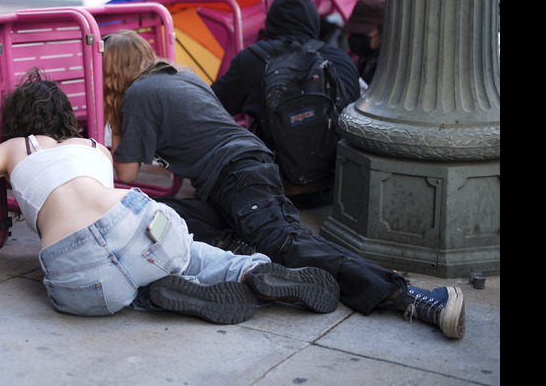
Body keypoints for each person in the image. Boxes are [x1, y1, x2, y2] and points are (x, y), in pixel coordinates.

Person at [102, 30, 467, 339]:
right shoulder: (179, 76)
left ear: (111, 73)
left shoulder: (137, 96)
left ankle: (410, 297)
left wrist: (113, 120)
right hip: (234, 175)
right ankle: (250, 264)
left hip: (237, 173)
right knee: (165, 217)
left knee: (289, 243)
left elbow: (128, 172)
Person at [0, 69, 340, 325]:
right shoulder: (93, 148)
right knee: (187, 250)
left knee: (83, 292)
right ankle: (249, 272)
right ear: (67, 117)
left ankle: (151, 297)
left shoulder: (19, 148)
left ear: (18, 124)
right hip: (138, 223)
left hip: (79, 272)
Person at [210, 0, 361, 208]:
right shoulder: (340, 60)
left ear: (271, 22)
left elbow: (211, 107)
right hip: (333, 189)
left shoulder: (253, 58)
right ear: (313, 22)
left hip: (277, 192)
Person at [343, 0, 386, 89]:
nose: (356, 37)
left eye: (362, 33)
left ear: (383, 31)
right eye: (353, 32)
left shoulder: (389, 69)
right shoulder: (363, 59)